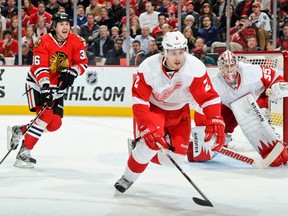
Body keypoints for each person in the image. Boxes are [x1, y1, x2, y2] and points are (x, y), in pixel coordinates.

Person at [114, 31, 225, 193]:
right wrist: (146, 125)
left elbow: (209, 98)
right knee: (148, 145)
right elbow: (139, 101)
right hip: (154, 109)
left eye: (181, 52)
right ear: (164, 52)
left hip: (180, 113)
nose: (178, 57)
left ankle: (136, 149)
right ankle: (127, 177)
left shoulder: (195, 68)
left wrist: (215, 119)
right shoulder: (148, 67)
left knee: (175, 160)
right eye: (173, 53)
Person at [7, 12, 88, 169]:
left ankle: (20, 130)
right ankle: (24, 152)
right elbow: (40, 66)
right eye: (61, 24)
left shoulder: (76, 40)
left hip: (57, 87)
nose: (65, 27)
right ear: (54, 27)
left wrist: (73, 71)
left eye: (67, 24)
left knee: (54, 124)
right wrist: (45, 86)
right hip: (37, 84)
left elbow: (82, 62)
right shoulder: (42, 42)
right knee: (46, 116)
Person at [187, 50, 288, 167]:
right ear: (220, 67)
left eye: (231, 65)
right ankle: (224, 140)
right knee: (195, 153)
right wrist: (203, 130)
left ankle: (270, 140)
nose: (229, 68)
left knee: (262, 120)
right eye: (225, 65)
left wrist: (278, 83)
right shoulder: (215, 84)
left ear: (237, 64)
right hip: (231, 108)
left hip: (256, 101)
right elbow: (202, 108)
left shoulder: (251, 71)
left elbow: (273, 75)